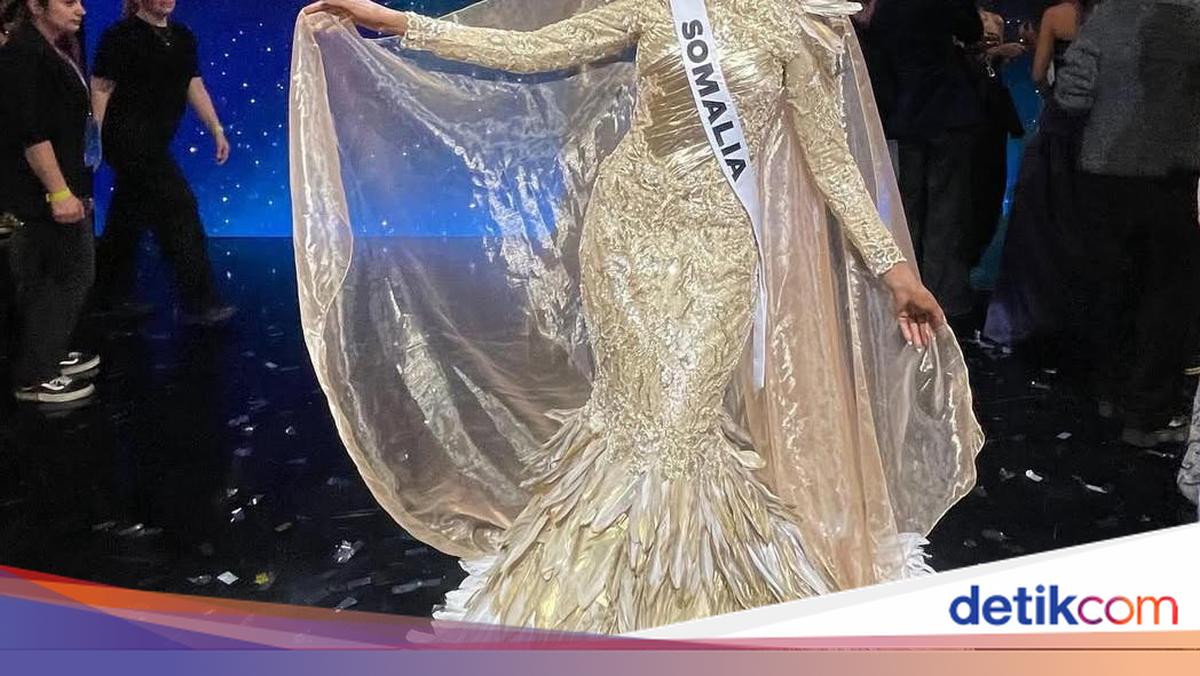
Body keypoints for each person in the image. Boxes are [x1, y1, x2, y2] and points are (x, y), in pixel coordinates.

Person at [294, 0, 983, 633]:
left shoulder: (795, 26)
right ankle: (600, 594)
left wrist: (894, 270)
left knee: (680, 422)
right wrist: (400, 22)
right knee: (633, 415)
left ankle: (693, 591)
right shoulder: (661, 6)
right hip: (627, 233)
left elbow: (830, 159)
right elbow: (534, 50)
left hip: (720, 247)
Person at [1055, 0, 1200, 447]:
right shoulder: (1193, 19)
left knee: (1112, 286)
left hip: (1102, 170)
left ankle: (1109, 392)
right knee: (1165, 298)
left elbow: (1071, 94)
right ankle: (1146, 414)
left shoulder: (1108, 14)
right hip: (1170, 174)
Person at [89, 0, 234, 325]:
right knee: (180, 207)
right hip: (126, 139)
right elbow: (101, 89)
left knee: (127, 216)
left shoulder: (182, 37)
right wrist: (94, 139)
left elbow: (193, 84)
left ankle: (108, 296)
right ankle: (198, 301)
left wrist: (216, 129)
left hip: (156, 139)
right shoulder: (120, 35)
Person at [0, 0, 100, 403]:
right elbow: (32, 134)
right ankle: (36, 375)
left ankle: (47, 353)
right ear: (36, 6)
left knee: (50, 272)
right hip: (41, 187)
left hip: (63, 177)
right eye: (68, 2)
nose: (81, 10)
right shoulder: (23, 55)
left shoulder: (52, 48)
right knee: (71, 273)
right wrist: (59, 192)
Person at [982, 0, 1088, 357]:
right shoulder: (1111, 18)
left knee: (1043, 222)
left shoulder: (1056, 16)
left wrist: (1051, 92)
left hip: (1060, 129)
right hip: (1100, 132)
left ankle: (1038, 314)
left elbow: (1038, 74)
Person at [868, 0, 984, 325]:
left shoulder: (888, 6)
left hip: (907, 111)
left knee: (908, 210)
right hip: (948, 110)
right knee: (945, 211)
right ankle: (943, 302)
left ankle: (906, 294)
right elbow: (972, 29)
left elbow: (880, 46)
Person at [963, 4, 1024, 270]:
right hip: (971, 116)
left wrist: (995, 57)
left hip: (991, 119)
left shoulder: (994, 19)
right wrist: (993, 53)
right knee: (975, 190)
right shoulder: (963, 16)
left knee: (991, 190)